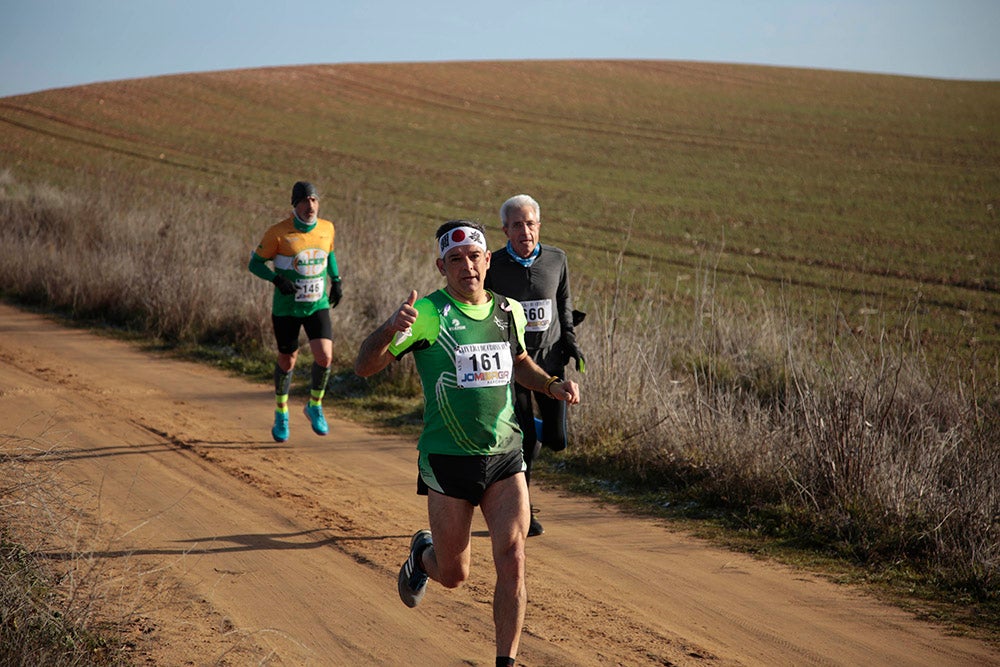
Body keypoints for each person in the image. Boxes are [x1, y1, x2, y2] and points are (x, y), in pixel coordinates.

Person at [354, 220, 580, 667]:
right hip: (447, 459)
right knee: (454, 575)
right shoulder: (428, 315)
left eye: (474, 256)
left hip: (504, 456)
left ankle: (506, 662)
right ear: (442, 266)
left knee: (513, 557)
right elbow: (364, 367)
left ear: (487, 260)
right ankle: (423, 556)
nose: (467, 266)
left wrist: (552, 385)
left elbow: (519, 363)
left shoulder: (508, 311)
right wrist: (388, 327)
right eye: (455, 260)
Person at [483, 194, 584, 537]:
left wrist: (569, 338)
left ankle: (532, 430)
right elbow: (482, 307)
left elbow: (563, 300)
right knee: (525, 441)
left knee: (556, 440)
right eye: (516, 225)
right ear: (505, 230)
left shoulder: (557, 258)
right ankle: (523, 511)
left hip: (551, 358)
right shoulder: (492, 265)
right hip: (513, 362)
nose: (524, 230)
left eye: (530, 223)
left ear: (539, 226)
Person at [248, 181, 343, 442]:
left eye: (313, 200)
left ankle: (315, 405)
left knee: (324, 356)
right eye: (304, 201)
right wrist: (277, 280)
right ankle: (281, 412)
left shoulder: (327, 228)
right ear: (295, 204)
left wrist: (337, 280)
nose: (310, 205)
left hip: (317, 304)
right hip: (287, 307)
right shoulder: (277, 233)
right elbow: (254, 264)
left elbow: (330, 253)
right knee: (287, 360)